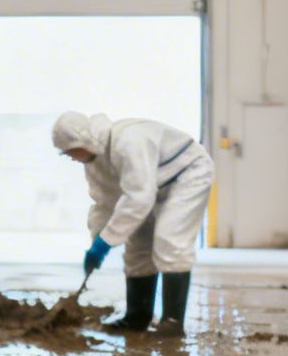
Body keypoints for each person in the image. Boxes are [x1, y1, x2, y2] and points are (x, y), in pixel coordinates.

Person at [51, 111, 214, 335]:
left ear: (84, 139)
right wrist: (97, 241)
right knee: (138, 245)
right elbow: (105, 203)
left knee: (169, 239)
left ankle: (172, 323)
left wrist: (106, 241)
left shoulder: (127, 140)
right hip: (152, 186)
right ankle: (137, 317)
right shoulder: (95, 162)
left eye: (71, 150)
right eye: (66, 153)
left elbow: (139, 198)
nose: (71, 156)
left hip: (186, 173)